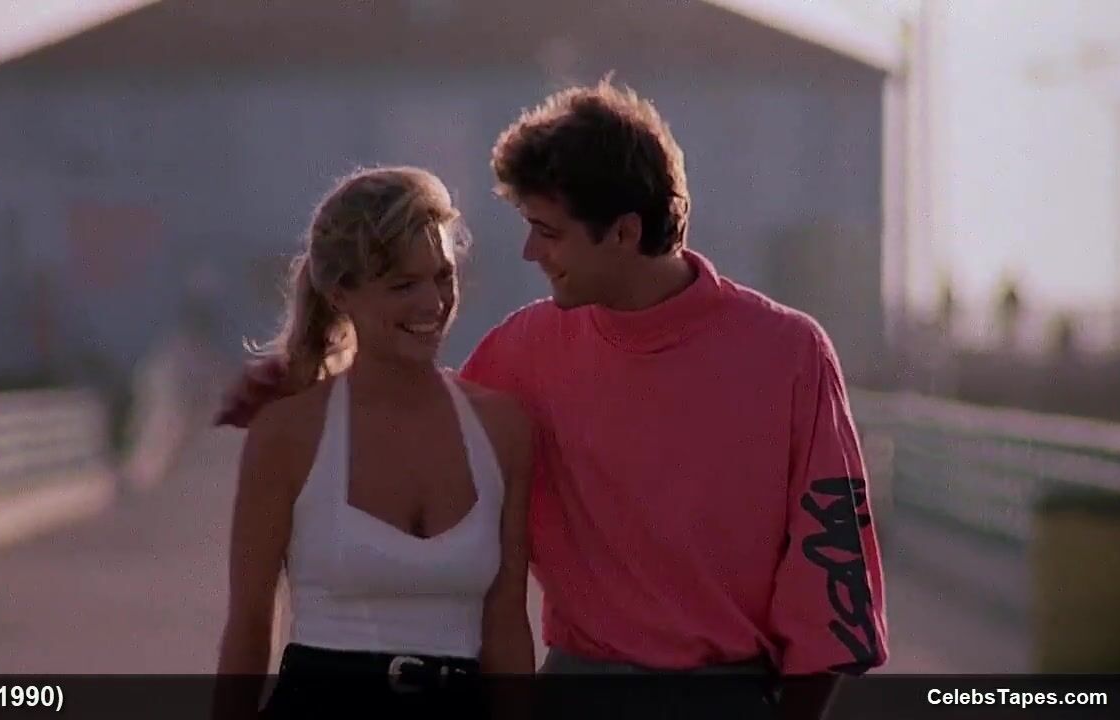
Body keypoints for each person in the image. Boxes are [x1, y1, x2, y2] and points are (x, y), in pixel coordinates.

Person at [218, 80, 889, 719]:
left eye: (549, 230)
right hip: (573, 695)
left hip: (728, 699)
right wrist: (295, 389)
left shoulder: (790, 353)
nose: (528, 250)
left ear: (623, 233)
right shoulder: (522, 351)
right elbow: (405, 406)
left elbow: (834, 580)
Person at [212, 167, 535, 719]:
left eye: (442, 277)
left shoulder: (502, 429)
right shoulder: (288, 435)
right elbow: (248, 627)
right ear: (342, 293)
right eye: (403, 285)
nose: (433, 302)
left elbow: (506, 626)